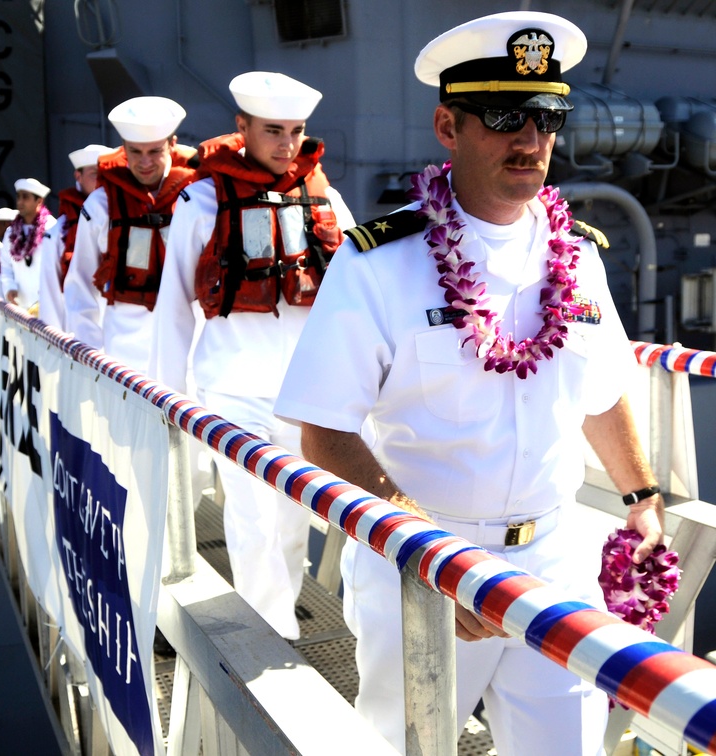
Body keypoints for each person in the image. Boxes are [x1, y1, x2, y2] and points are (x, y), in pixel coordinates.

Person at [273, 12, 665, 755]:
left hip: (554, 562)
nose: (531, 139)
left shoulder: (578, 258)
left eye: (547, 116)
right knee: (402, 747)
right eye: (505, 116)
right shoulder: (379, 264)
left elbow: (602, 391)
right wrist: (424, 546)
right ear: (448, 126)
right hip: (422, 563)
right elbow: (324, 427)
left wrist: (641, 497)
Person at [151, 73, 355, 639]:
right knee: (250, 516)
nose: (287, 145)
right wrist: (167, 396)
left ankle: (280, 613)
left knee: (290, 520)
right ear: (242, 129)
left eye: (295, 132)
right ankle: (270, 632)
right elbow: (173, 305)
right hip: (232, 390)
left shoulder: (324, 195)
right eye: (273, 131)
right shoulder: (202, 198)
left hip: (301, 393)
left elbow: (362, 289)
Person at [64, 96, 197, 372]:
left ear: (172, 144)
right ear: (123, 149)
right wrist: (88, 356)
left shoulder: (197, 198)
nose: (144, 162)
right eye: (135, 152)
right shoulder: (100, 206)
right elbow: (79, 284)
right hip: (124, 353)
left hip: (190, 350)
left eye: (154, 151)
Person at [52, 144, 110, 293]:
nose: (101, 180)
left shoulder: (124, 217)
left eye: (106, 174)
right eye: (95, 173)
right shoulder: (58, 231)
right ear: (78, 176)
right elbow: (51, 288)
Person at [0, 178, 56, 321]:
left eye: (25, 197)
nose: (20, 202)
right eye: (19, 197)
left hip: (48, 308)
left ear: (39, 201)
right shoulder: (11, 232)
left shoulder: (52, 228)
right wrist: (9, 287)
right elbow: (5, 265)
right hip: (20, 308)